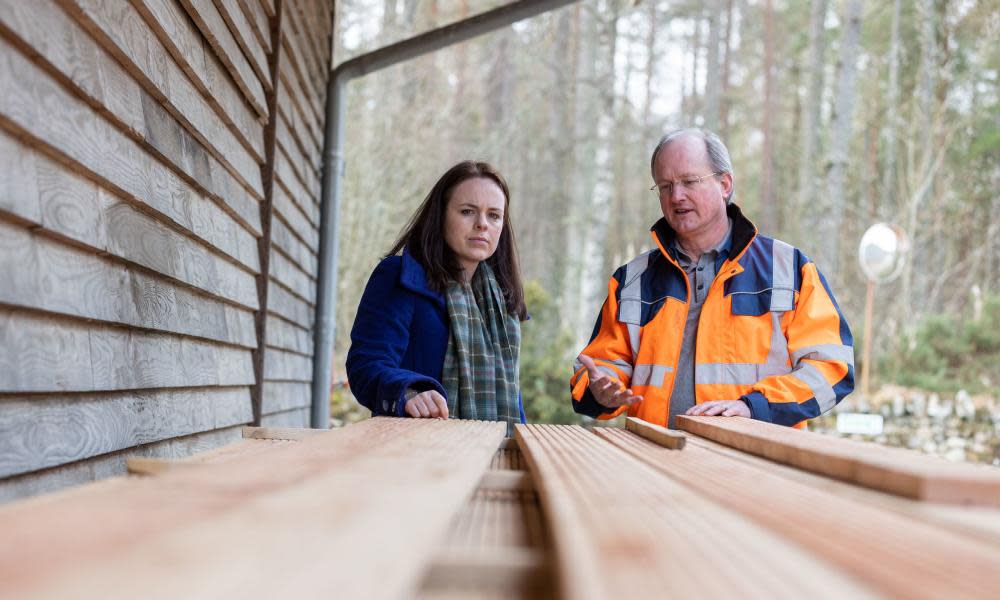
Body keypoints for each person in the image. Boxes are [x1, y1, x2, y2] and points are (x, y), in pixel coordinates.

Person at [571, 128, 854, 428]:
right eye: (665, 186)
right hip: (654, 462)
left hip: (756, 466)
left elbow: (831, 368)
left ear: (725, 183)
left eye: (689, 181)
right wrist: (600, 390)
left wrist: (753, 407)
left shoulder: (790, 269)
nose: (676, 196)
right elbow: (599, 367)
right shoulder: (632, 280)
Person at [347, 160, 528, 434]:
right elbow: (366, 365)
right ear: (441, 214)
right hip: (412, 451)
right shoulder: (399, 277)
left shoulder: (501, 300)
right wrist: (409, 393)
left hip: (496, 450)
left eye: (494, 215)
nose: (482, 225)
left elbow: (510, 394)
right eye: (468, 211)